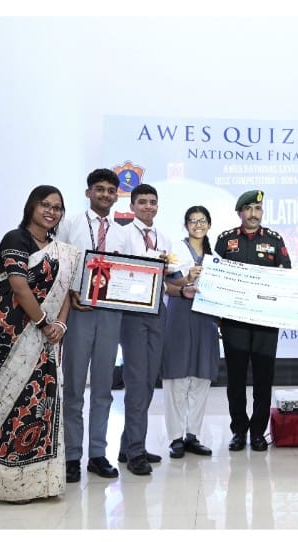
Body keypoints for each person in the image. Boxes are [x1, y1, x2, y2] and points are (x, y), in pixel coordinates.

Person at [0, 185, 80, 503]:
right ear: (31, 207)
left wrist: (60, 324)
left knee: (43, 403)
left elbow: (65, 291)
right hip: (13, 336)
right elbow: (19, 286)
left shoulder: (61, 250)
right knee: (13, 405)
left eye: (57, 207)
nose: (52, 211)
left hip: (47, 339)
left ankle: (43, 483)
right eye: (45, 205)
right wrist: (43, 323)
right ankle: (9, 485)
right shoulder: (15, 239)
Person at [57, 168, 127, 483]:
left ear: (116, 196)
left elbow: (130, 272)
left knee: (103, 387)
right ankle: (72, 455)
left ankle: (98, 454)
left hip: (110, 313)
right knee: (73, 386)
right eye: (99, 189)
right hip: (77, 311)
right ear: (88, 193)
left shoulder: (122, 233)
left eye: (111, 191)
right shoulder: (70, 224)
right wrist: (69, 293)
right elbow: (58, 265)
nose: (105, 195)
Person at [214, 190, 291, 452]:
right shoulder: (226, 240)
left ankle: (258, 432)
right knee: (235, 379)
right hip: (234, 321)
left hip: (265, 321)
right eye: (248, 209)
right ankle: (238, 431)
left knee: (263, 379)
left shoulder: (274, 239)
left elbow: (286, 275)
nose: (253, 213)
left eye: (257, 208)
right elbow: (215, 277)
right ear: (240, 212)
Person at [117, 183, 170, 474]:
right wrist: (150, 262)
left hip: (158, 309)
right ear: (132, 207)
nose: (148, 206)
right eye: (143, 202)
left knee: (149, 381)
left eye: (153, 202)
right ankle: (136, 451)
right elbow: (119, 268)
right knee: (137, 381)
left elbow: (170, 276)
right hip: (133, 311)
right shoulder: (123, 235)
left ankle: (128, 444)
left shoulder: (164, 237)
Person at [161, 205, 220, 459]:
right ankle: (175, 437)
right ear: (186, 225)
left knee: (201, 377)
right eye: (193, 220)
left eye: (202, 220)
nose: (198, 225)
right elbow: (167, 282)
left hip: (206, 317)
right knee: (176, 376)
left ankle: (192, 435)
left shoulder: (215, 256)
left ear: (209, 224)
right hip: (179, 312)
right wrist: (186, 278)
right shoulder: (175, 249)